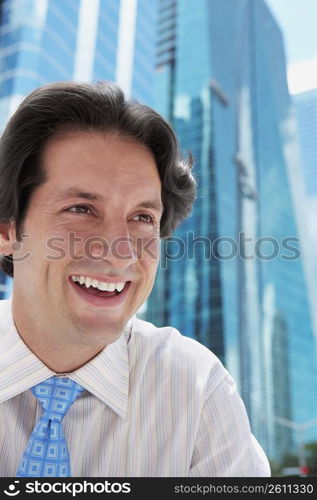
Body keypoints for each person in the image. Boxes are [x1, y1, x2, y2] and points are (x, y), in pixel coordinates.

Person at [0, 81, 270, 477]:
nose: (120, 250)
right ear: (8, 231)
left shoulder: (196, 389)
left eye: (142, 217)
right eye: (80, 208)